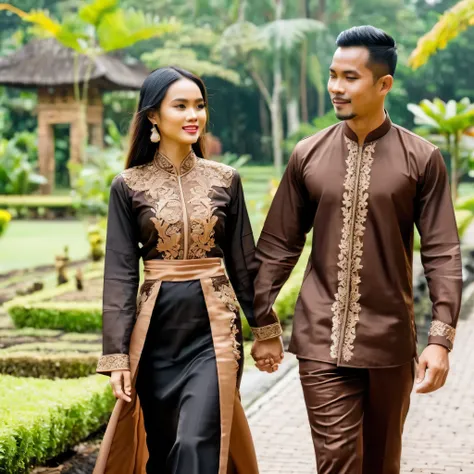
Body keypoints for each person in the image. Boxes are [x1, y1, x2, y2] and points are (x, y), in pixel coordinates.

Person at [250, 25, 462, 473]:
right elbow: (278, 244)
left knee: (382, 464)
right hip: (319, 341)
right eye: (332, 75)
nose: (335, 87)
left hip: (389, 343)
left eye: (350, 77)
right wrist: (263, 319)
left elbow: (441, 251)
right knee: (337, 463)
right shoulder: (308, 154)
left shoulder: (421, 158)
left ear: (383, 84)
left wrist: (440, 338)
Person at [93, 66, 262, 474]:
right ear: (154, 116)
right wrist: (116, 355)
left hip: (215, 331)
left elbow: (244, 261)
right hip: (155, 335)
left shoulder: (225, 180)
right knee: (165, 450)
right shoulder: (128, 186)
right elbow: (119, 273)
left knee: (195, 442)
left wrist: (267, 329)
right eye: (181, 106)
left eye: (199, 106)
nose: (194, 115)